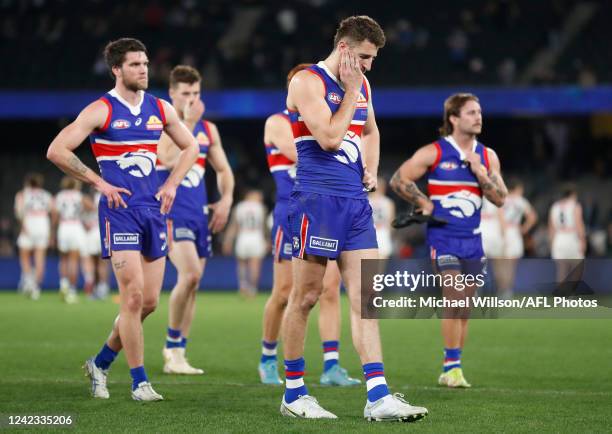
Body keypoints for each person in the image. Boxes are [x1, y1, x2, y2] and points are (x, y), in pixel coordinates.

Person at [281, 16, 428, 421]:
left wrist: (370, 168)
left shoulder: (362, 84)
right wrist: (348, 91)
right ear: (345, 49)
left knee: (367, 299)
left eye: (373, 59)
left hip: (354, 202)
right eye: (364, 56)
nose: (368, 66)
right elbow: (328, 138)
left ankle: (378, 396)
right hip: (317, 200)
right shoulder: (307, 82)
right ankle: (294, 393)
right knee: (306, 297)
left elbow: (371, 129)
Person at [46, 38, 199, 402]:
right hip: (119, 214)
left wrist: (173, 183)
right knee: (131, 298)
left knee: (148, 303)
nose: (143, 69)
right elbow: (56, 150)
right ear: (117, 69)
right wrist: (99, 182)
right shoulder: (101, 110)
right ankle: (139, 381)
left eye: (145, 63)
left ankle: (100, 362)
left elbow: (191, 147)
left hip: (154, 211)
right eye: (134, 64)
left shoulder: (159, 109)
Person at [390, 93, 507, 389]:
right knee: (453, 298)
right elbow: (398, 180)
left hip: (473, 240)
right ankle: (452, 368)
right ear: (453, 118)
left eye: (479, 112)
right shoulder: (435, 152)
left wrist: (480, 171)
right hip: (443, 238)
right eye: (471, 112)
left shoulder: (488, 155)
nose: (478, 117)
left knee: (464, 308)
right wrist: (424, 202)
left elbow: (500, 198)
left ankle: (451, 365)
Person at [258, 63, 360, 387]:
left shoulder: (327, 121)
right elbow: (304, 153)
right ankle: (267, 357)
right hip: (291, 213)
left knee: (330, 289)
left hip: (322, 211)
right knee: (285, 292)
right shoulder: (276, 122)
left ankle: (331, 365)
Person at [156, 65, 234, 375]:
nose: (192, 99)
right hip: (170, 210)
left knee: (194, 283)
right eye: (186, 93)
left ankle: (179, 350)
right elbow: (166, 157)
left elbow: (224, 170)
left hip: (198, 210)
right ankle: (172, 347)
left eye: (196, 93)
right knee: (188, 275)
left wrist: (226, 199)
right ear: (172, 94)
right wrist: (186, 122)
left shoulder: (209, 129)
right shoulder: (163, 123)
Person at [14, 173, 53, 300]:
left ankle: (28, 282)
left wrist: (23, 227)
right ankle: (36, 287)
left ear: (28, 182)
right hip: (43, 225)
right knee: (39, 258)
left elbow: (19, 213)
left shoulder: (22, 194)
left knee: (24, 257)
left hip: (29, 223)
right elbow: (53, 211)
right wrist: (51, 230)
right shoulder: (47, 195)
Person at [496, 178, 537, 298]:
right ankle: (507, 292)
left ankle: (501, 290)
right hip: (514, 232)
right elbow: (533, 217)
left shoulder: (501, 199)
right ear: (518, 188)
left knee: (499, 265)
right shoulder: (521, 201)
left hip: (500, 231)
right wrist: (524, 229)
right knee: (510, 266)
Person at [222, 190, 267, 297]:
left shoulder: (239, 207)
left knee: (241, 264)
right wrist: (268, 240)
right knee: (255, 265)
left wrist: (227, 241)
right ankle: (253, 289)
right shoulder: (261, 208)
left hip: (243, 236)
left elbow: (234, 226)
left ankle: (242, 286)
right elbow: (264, 227)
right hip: (256, 236)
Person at [54, 176, 87, 304]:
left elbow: (55, 216)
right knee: (74, 260)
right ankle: (72, 291)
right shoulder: (79, 195)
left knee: (63, 259)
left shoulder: (59, 196)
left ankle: (63, 285)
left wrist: (53, 232)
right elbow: (90, 207)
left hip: (63, 227)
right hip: (75, 226)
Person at [548, 183, 586, 283]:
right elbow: (579, 224)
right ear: (573, 194)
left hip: (559, 238)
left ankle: (562, 296)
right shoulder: (575, 205)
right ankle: (571, 295)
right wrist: (583, 240)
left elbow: (551, 227)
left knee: (561, 270)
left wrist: (552, 243)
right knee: (576, 268)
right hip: (572, 237)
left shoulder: (555, 206)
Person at [80, 188, 111, 299]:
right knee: (103, 263)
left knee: (93, 262)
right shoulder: (108, 196)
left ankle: (93, 286)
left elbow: (82, 215)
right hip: (104, 231)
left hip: (93, 231)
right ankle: (102, 287)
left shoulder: (87, 198)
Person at [368, 177, 396, 259]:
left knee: (369, 266)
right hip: (380, 233)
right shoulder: (388, 202)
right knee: (378, 266)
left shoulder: (365, 201)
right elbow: (391, 222)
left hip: (374, 233)